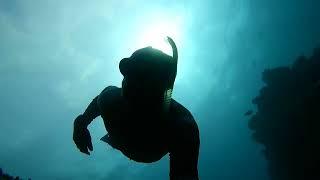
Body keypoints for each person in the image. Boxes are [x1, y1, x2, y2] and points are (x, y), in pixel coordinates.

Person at [73, 37, 200, 180]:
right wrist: (81, 123)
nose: (139, 86)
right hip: (140, 146)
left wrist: (82, 123)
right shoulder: (109, 97)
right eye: (135, 74)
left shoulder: (182, 125)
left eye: (146, 79)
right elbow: (96, 103)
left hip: (144, 146)